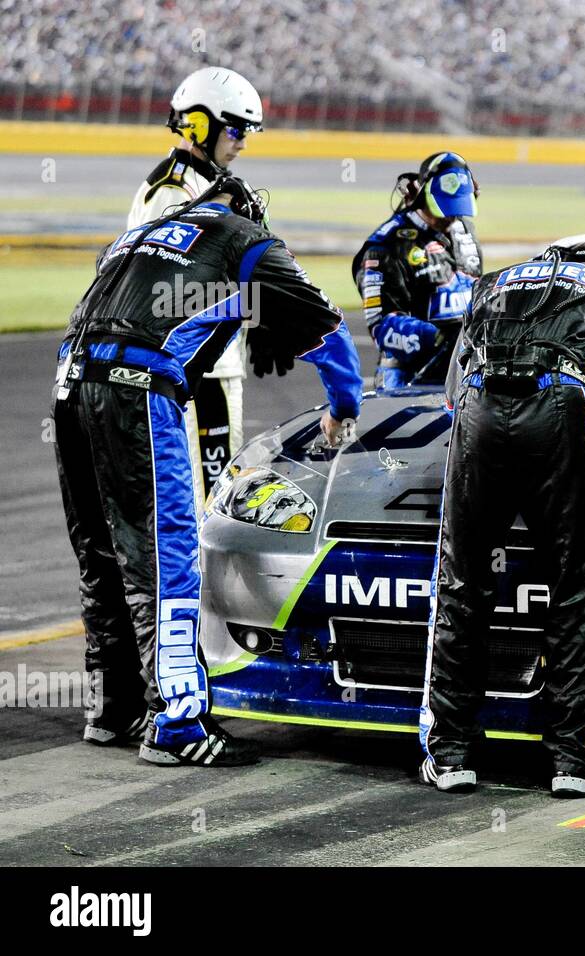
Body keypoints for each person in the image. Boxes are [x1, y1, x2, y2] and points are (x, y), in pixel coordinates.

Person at [56, 176, 364, 766]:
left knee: (98, 551)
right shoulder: (245, 237)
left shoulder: (138, 235)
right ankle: (177, 723)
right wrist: (343, 408)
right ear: (248, 211)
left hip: (69, 384)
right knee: (165, 554)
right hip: (138, 391)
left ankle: (108, 710)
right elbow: (328, 329)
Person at [419, 241, 585, 797]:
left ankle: (452, 753)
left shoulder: (497, 282)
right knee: (574, 589)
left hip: (479, 410)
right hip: (559, 407)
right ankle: (573, 763)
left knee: (460, 584)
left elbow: (452, 396)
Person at [129, 67, 266, 508]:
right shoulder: (174, 191)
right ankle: (201, 578)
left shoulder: (207, 185)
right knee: (210, 495)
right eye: (236, 129)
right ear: (199, 124)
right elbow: (166, 289)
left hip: (209, 361)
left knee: (215, 486)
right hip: (197, 366)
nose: (243, 142)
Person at [352, 152, 482, 389]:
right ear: (423, 196)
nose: (452, 216)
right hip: (407, 381)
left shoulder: (465, 231)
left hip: (461, 376)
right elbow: (381, 326)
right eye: (445, 209)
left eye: (457, 208)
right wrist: (437, 338)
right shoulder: (386, 245)